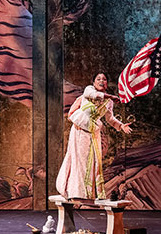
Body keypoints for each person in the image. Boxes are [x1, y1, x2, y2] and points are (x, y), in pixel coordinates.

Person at [55, 72, 132, 200]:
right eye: (98, 79)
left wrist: (121, 126)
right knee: (80, 161)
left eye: (104, 79)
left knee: (94, 163)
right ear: (93, 82)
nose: (102, 81)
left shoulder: (108, 102)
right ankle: (76, 192)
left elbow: (110, 119)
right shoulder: (88, 91)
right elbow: (93, 95)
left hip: (93, 132)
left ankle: (89, 194)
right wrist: (111, 96)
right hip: (80, 131)